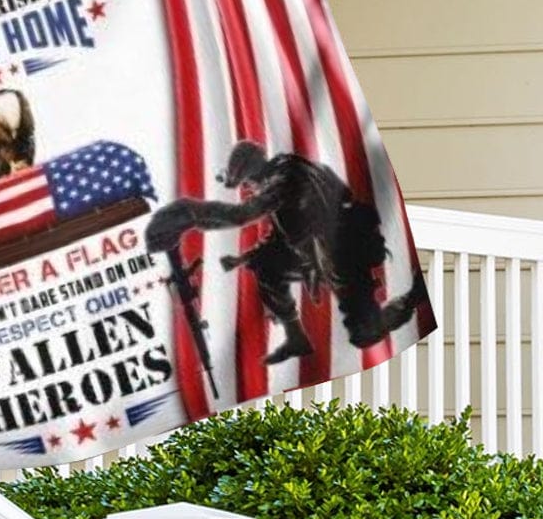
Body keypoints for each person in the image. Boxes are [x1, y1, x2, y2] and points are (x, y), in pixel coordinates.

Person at [145, 140, 425, 365]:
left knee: (365, 334)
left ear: (252, 173)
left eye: (245, 182)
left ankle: (414, 296)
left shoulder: (284, 179)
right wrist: (251, 256)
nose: (247, 188)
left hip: (343, 254)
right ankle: (295, 338)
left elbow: (244, 214)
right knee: (267, 264)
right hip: (316, 253)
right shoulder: (286, 173)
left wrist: (189, 212)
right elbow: (285, 234)